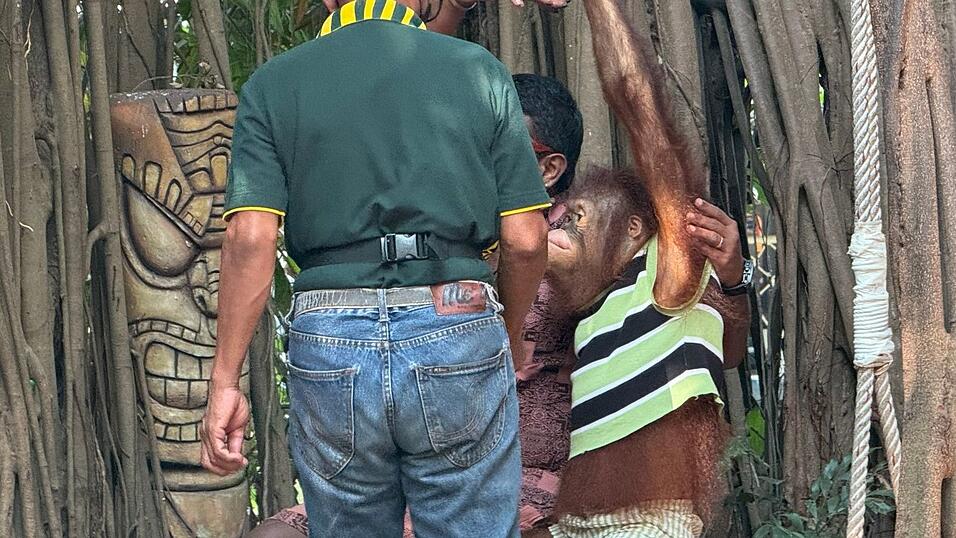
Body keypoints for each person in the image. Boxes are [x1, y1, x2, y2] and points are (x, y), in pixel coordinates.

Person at [199, 1, 556, 536]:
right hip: (455, 317)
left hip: (330, 335)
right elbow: (527, 241)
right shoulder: (479, 71)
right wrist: (500, 334)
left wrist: (225, 381)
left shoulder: (275, 84)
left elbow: (250, 237)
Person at [249, 73, 585, 537]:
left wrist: (727, 280)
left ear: (549, 170)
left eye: (502, 146)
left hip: (518, 471)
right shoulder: (451, 226)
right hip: (407, 463)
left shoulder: (582, 236)